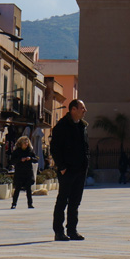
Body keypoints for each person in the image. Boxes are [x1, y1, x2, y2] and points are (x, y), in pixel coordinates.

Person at [51, 99, 89, 241]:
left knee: (75, 201)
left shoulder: (82, 126)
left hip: (80, 170)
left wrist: (86, 164)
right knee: (62, 200)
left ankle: (72, 230)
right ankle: (58, 231)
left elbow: (85, 147)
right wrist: (61, 167)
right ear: (73, 109)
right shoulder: (61, 126)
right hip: (67, 170)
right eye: (82, 108)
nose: (85, 110)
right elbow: (54, 148)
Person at [10, 135, 36, 209]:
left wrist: (30, 158)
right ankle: (14, 203)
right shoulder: (16, 151)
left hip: (28, 172)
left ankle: (30, 204)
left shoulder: (30, 150)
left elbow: (36, 159)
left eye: (27, 143)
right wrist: (20, 160)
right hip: (19, 172)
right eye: (24, 143)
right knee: (17, 189)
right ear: (21, 143)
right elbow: (12, 161)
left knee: (28, 189)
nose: (26, 144)